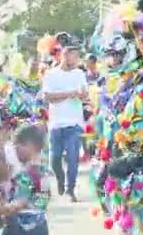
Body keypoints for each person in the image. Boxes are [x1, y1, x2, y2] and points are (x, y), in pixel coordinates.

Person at [41, 46, 88, 202]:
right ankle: (60, 178)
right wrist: (68, 94)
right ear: (64, 56)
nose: (76, 61)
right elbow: (47, 97)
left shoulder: (80, 74)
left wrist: (81, 95)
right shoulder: (51, 75)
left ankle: (70, 189)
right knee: (54, 160)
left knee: (73, 158)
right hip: (56, 124)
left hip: (74, 123)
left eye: (77, 58)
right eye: (73, 57)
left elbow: (84, 95)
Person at [2, 125, 50, 235]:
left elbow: (20, 201)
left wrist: (4, 208)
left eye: (17, 148)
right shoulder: (44, 169)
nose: (15, 152)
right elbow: (44, 198)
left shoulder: (28, 173)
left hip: (23, 227)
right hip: (40, 224)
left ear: (29, 146)